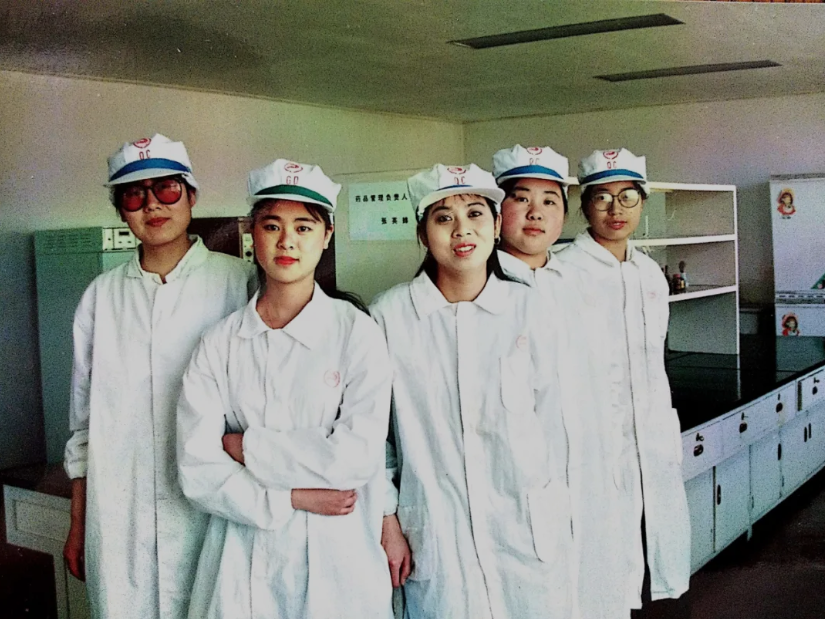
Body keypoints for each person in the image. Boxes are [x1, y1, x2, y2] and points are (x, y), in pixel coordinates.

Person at [176, 159, 393, 619]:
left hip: (338, 556)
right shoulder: (219, 343)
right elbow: (196, 469)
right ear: (252, 234)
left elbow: (355, 458)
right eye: (272, 226)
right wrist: (292, 497)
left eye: (303, 227)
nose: (287, 241)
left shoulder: (357, 333)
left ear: (327, 235)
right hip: (241, 556)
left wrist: (246, 447)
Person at [62, 134, 257, 619]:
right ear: (120, 211)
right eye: (134, 195)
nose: (152, 205)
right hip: (119, 518)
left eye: (167, 189)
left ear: (192, 196)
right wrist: (79, 522)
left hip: (211, 510)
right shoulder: (101, 297)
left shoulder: (239, 283)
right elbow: (82, 427)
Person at [373, 163, 574, 619]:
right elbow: (373, 436)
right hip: (438, 535)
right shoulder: (389, 317)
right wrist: (386, 517)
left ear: (497, 225)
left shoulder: (530, 308)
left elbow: (556, 422)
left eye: (475, 214)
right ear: (422, 234)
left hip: (527, 526)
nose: (462, 230)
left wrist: (556, 504)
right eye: (443, 218)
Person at [493, 144, 629, 619]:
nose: (536, 213)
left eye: (550, 201)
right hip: (517, 490)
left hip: (589, 477)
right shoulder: (482, 290)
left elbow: (606, 382)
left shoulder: (580, 284)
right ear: (497, 212)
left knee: (593, 592)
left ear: (565, 213)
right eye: (521, 198)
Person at [555, 149, 691, 618]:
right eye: (602, 198)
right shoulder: (561, 272)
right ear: (584, 206)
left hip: (650, 436)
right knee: (600, 572)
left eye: (628, 197)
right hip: (592, 444)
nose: (616, 209)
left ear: (643, 202)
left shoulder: (648, 273)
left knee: (657, 559)